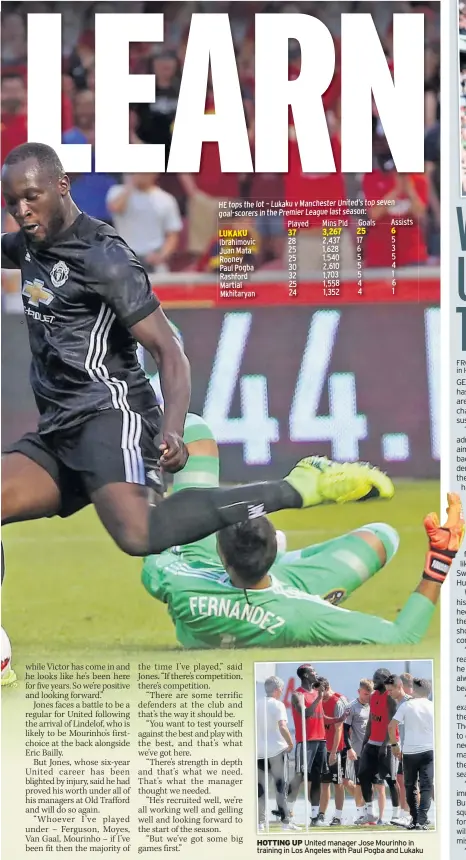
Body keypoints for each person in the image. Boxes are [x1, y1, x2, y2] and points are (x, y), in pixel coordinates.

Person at [1, 142, 393, 578]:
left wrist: (171, 427)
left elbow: (168, 349)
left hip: (109, 415)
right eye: (12, 200)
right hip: (59, 425)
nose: (22, 209)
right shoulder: (31, 245)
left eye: (31, 196)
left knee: (139, 534)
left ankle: (297, 487)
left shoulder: (105, 258)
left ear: (61, 186)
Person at [142, 416, 463, 648]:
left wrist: (158, 495)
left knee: (194, 428)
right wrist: (439, 564)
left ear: (221, 554)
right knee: (382, 537)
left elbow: (153, 544)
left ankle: (277, 555)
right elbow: (401, 638)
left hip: (210, 585)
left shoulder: (179, 580)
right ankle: (291, 566)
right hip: (283, 600)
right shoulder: (304, 614)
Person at [106, 174, 182, 273]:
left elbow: (172, 235)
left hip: (153, 259)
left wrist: (161, 256)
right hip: (125, 258)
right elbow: (115, 208)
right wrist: (130, 186)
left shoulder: (166, 199)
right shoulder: (117, 191)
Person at [356, 669, 402, 826]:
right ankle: (371, 812)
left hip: (388, 744)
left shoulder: (390, 699)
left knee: (391, 780)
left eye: (376, 679)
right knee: (363, 775)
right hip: (372, 743)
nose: (373, 681)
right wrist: (364, 743)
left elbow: (390, 725)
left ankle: (396, 815)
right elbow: (371, 720)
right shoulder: (373, 696)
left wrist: (385, 745)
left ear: (384, 680)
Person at [388, 679, 434, 830]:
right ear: (429, 692)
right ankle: (421, 819)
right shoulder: (433, 707)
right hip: (428, 750)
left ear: (413, 690)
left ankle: (415, 819)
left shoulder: (406, 705)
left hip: (409, 752)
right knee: (426, 787)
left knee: (410, 786)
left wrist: (395, 745)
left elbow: (391, 726)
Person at [256, 676, 299, 832]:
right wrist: (290, 743)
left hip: (259, 752)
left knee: (260, 787)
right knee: (281, 786)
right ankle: (285, 822)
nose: (282, 692)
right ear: (276, 690)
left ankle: (260, 822)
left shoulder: (256, 704)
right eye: (280, 689)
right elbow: (282, 726)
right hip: (276, 751)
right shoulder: (278, 705)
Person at [287, 665, 327, 827]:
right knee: (299, 776)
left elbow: (320, 716)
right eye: (312, 672)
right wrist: (319, 697)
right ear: (304, 675)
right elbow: (307, 714)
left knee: (317, 778)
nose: (315, 673)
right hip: (305, 741)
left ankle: (315, 816)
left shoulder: (317, 692)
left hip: (321, 740)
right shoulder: (297, 695)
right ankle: (287, 811)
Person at [344, 679, 387, 825]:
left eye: (370, 694)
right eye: (365, 694)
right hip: (359, 752)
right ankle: (361, 814)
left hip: (374, 750)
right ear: (359, 692)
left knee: (379, 785)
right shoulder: (351, 707)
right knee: (360, 784)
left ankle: (379, 818)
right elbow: (344, 730)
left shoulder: (375, 704)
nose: (368, 697)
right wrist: (349, 748)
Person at [320, 680, 349, 826]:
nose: (319, 695)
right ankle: (321, 815)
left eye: (321, 692)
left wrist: (333, 752)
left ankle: (338, 816)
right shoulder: (318, 700)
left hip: (336, 749)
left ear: (327, 688)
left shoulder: (337, 701)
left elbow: (339, 729)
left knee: (339, 783)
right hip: (323, 748)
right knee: (324, 784)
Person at [386, 674, 414, 824]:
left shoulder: (408, 702)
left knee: (410, 782)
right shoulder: (399, 703)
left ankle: (410, 815)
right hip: (405, 747)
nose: (388, 693)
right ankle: (408, 814)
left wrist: (396, 746)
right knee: (404, 780)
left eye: (390, 690)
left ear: (399, 687)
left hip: (412, 748)